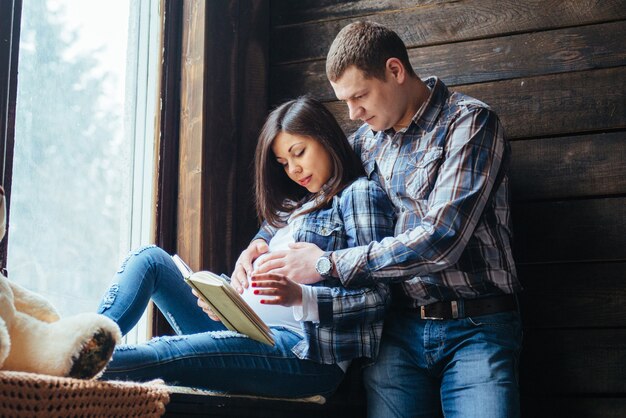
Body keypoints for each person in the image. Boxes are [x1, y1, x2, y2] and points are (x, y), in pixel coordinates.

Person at [244, 22, 523, 417]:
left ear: (395, 71)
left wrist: (326, 263)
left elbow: (442, 238)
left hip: (476, 326)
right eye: (345, 102)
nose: (353, 113)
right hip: (393, 334)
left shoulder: (470, 123)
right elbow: (314, 190)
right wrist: (260, 239)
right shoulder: (364, 142)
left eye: (360, 96)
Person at [96, 97, 395, 398]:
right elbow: (263, 267)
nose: (294, 169)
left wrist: (302, 296)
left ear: (326, 139)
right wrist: (225, 299)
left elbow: (378, 300)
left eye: (299, 153)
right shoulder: (296, 208)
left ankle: (76, 364)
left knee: (164, 351)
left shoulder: (358, 195)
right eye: (284, 163)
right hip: (241, 329)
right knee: (149, 259)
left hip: (303, 352)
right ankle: (87, 340)